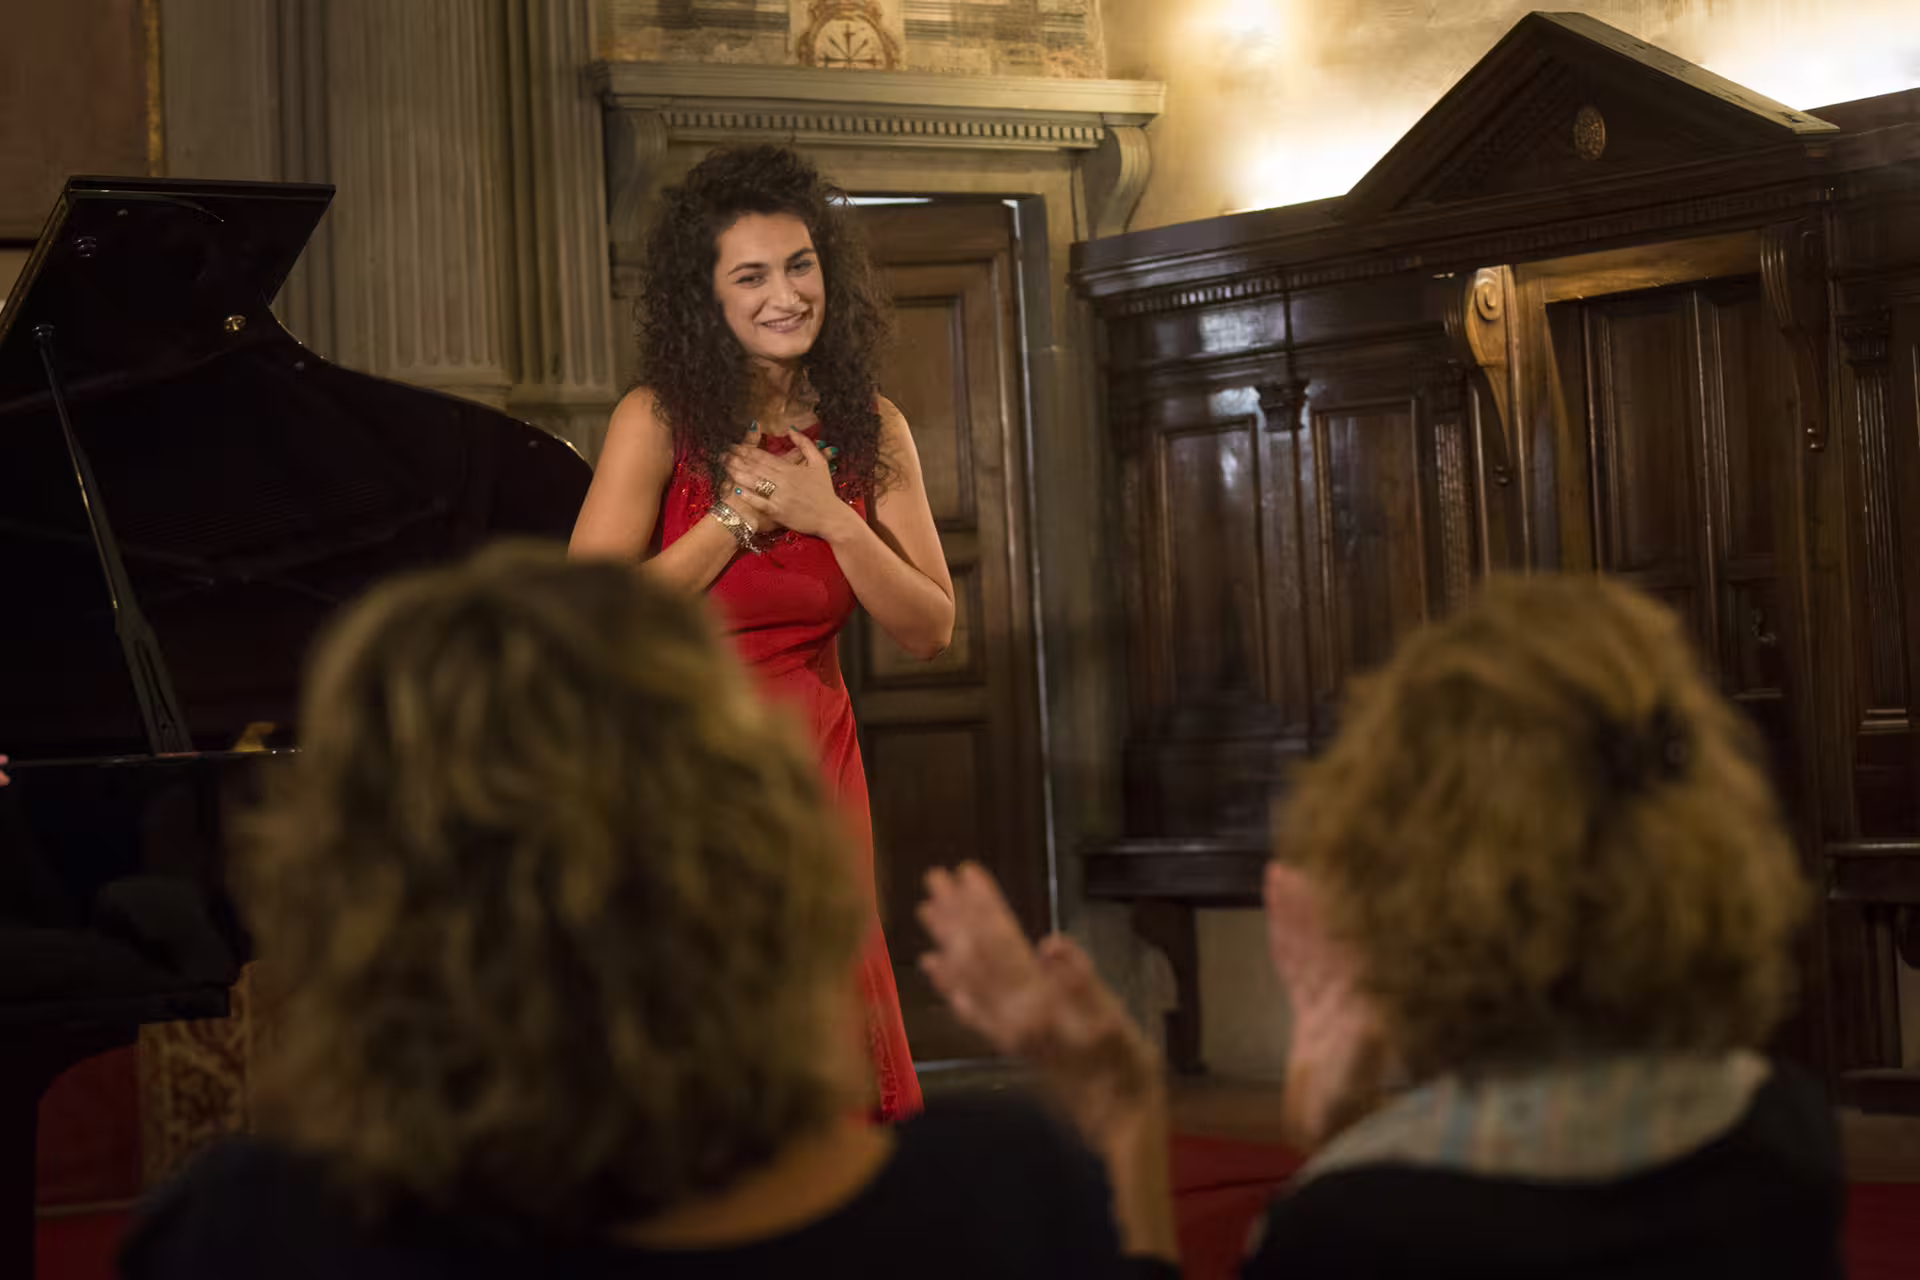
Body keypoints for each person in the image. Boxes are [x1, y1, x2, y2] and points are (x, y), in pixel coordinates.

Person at [119, 545, 1142, 1280]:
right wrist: (1126, 1122)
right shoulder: (1003, 1189)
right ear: (763, 848)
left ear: (356, 884)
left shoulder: (249, 1232)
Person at [920, 573, 1845, 1280]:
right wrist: (1342, 1138)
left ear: (1410, 866)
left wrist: (1128, 1122)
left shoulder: (1352, 1223)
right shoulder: (1784, 1135)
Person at [570, 145, 951, 1121]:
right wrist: (733, 519)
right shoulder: (654, 419)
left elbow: (930, 626)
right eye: (751, 275)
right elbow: (589, 623)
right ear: (709, 296)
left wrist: (832, 516)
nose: (784, 293)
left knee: (822, 1032)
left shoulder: (874, 425)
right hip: (680, 762)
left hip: (814, 761)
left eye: (799, 265)